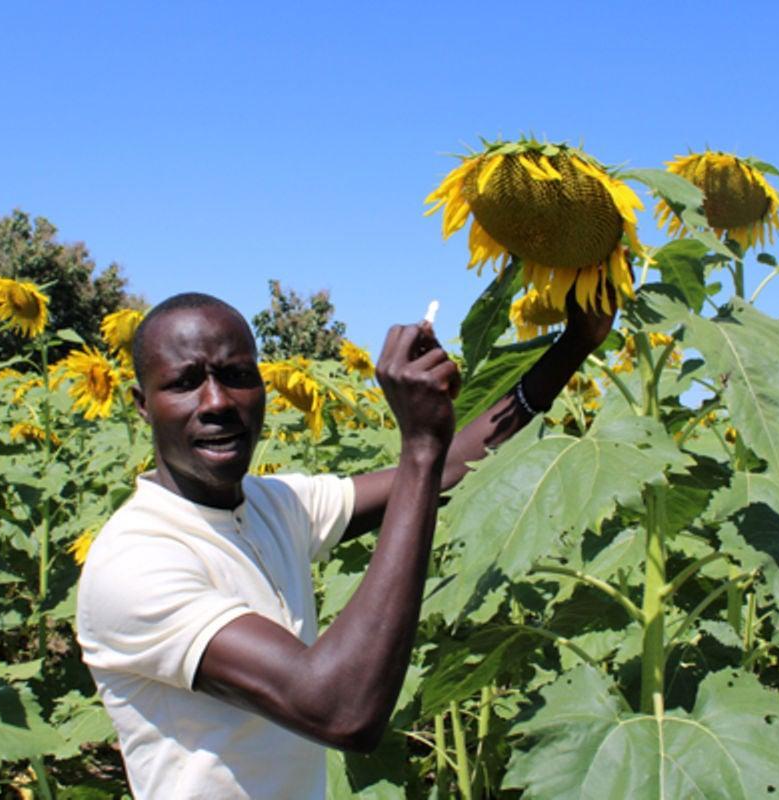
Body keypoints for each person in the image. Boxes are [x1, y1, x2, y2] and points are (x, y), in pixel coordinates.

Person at [76, 289, 614, 798]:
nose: (217, 401)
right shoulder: (136, 561)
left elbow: (449, 471)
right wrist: (421, 447)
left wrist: (574, 343)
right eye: (184, 382)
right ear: (142, 405)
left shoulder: (272, 504)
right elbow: (341, 709)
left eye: (237, 376)